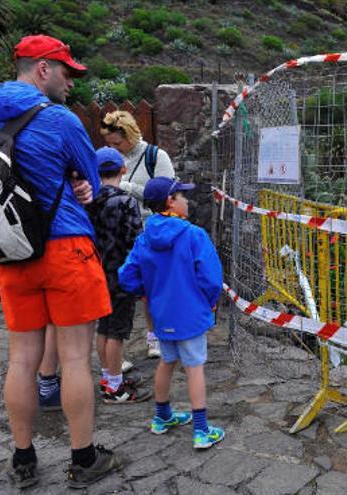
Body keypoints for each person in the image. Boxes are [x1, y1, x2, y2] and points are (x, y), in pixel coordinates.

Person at [0, 34, 120, 489]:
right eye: (66, 72)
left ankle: (22, 459)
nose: (70, 83)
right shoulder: (59, 118)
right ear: (42, 68)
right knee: (75, 357)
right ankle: (83, 459)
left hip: (12, 252)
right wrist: (85, 188)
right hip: (65, 248)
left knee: (22, 359)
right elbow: (92, 179)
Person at [119, 176, 225, 449]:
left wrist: (147, 292)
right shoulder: (193, 235)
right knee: (194, 367)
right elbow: (212, 279)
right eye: (182, 195)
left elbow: (127, 276)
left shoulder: (144, 239)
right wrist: (209, 302)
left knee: (167, 361)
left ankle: (162, 416)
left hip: (162, 314)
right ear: (170, 201)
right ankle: (201, 430)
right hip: (190, 314)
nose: (187, 200)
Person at [100, 110, 175, 359]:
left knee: (152, 288)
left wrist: (126, 187)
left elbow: (167, 195)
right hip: (121, 233)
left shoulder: (156, 156)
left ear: (130, 134)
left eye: (117, 143)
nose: (114, 148)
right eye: (110, 144)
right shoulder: (113, 158)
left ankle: (154, 337)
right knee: (122, 289)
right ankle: (117, 347)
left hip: (151, 232)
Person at [88, 147, 151, 404]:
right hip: (121, 275)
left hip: (98, 273)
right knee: (117, 332)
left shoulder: (89, 201)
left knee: (104, 327)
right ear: (123, 170)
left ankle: (108, 377)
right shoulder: (126, 202)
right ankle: (114, 389)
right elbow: (136, 242)